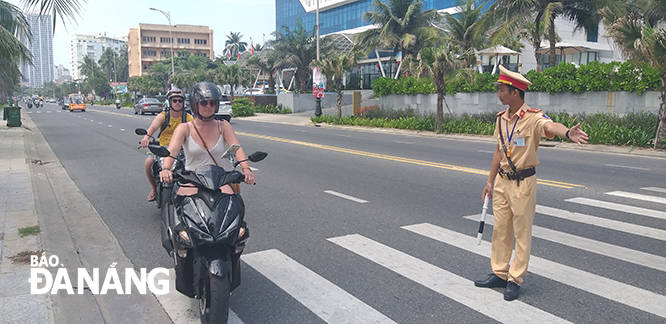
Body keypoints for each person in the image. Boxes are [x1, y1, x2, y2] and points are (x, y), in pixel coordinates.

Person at [474, 65, 589, 301]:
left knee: (522, 233)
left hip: (523, 184)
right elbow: (499, 151)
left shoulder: (533, 117)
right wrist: (489, 181)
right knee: (501, 231)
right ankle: (499, 272)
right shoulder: (501, 120)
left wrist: (567, 132)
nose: (498, 94)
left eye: (501, 89)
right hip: (502, 183)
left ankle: (515, 279)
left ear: (515, 92)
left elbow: (550, 127)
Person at [159, 81, 254, 193]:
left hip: (219, 181)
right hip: (193, 179)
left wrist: (246, 168)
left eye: (212, 103)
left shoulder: (223, 126)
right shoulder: (184, 128)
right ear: (195, 104)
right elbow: (172, 151)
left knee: (233, 202)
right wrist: (166, 169)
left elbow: (236, 149)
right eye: (204, 103)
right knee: (182, 203)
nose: (209, 106)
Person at [140, 87, 193, 201]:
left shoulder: (187, 117)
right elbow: (153, 127)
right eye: (175, 101)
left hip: (182, 150)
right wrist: (146, 137)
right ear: (170, 102)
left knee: (192, 168)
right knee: (148, 162)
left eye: (180, 101)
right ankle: (154, 188)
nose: (178, 103)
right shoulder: (163, 115)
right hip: (163, 149)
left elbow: (196, 131)